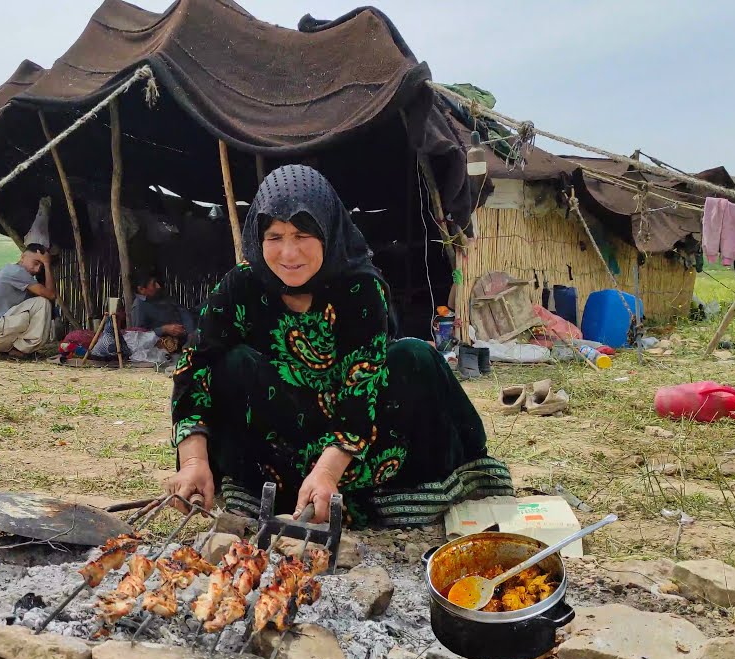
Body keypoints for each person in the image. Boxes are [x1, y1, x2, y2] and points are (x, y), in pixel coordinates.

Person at [161, 165, 513, 528]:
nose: (288, 253)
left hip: (359, 430)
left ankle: (374, 494)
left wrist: (327, 472)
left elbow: (361, 393)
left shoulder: (359, 289)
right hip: (279, 437)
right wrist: (193, 461)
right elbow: (195, 366)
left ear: (327, 231)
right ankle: (266, 490)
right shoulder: (241, 287)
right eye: (275, 236)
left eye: (301, 234)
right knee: (231, 364)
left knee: (414, 357)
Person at [0, 243, 57, 358]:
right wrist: (47, 264)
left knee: (36, 303)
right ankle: (22, 350)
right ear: (23, 257)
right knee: (42, 303)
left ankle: (12, 349)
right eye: (35, 263)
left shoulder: (11, 271)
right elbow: (51, 295)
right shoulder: (18, 273)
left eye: (41, 266)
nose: (37, 269)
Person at [130, 270, 197, 351]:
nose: (158, 286)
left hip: (190, 334)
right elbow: (140, 337)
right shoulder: (138, 306)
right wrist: (164, 329)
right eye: (154, 284)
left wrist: (190, 332)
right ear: (141, 289)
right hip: (170, 347)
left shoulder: (159, 296)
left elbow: (182, 310)